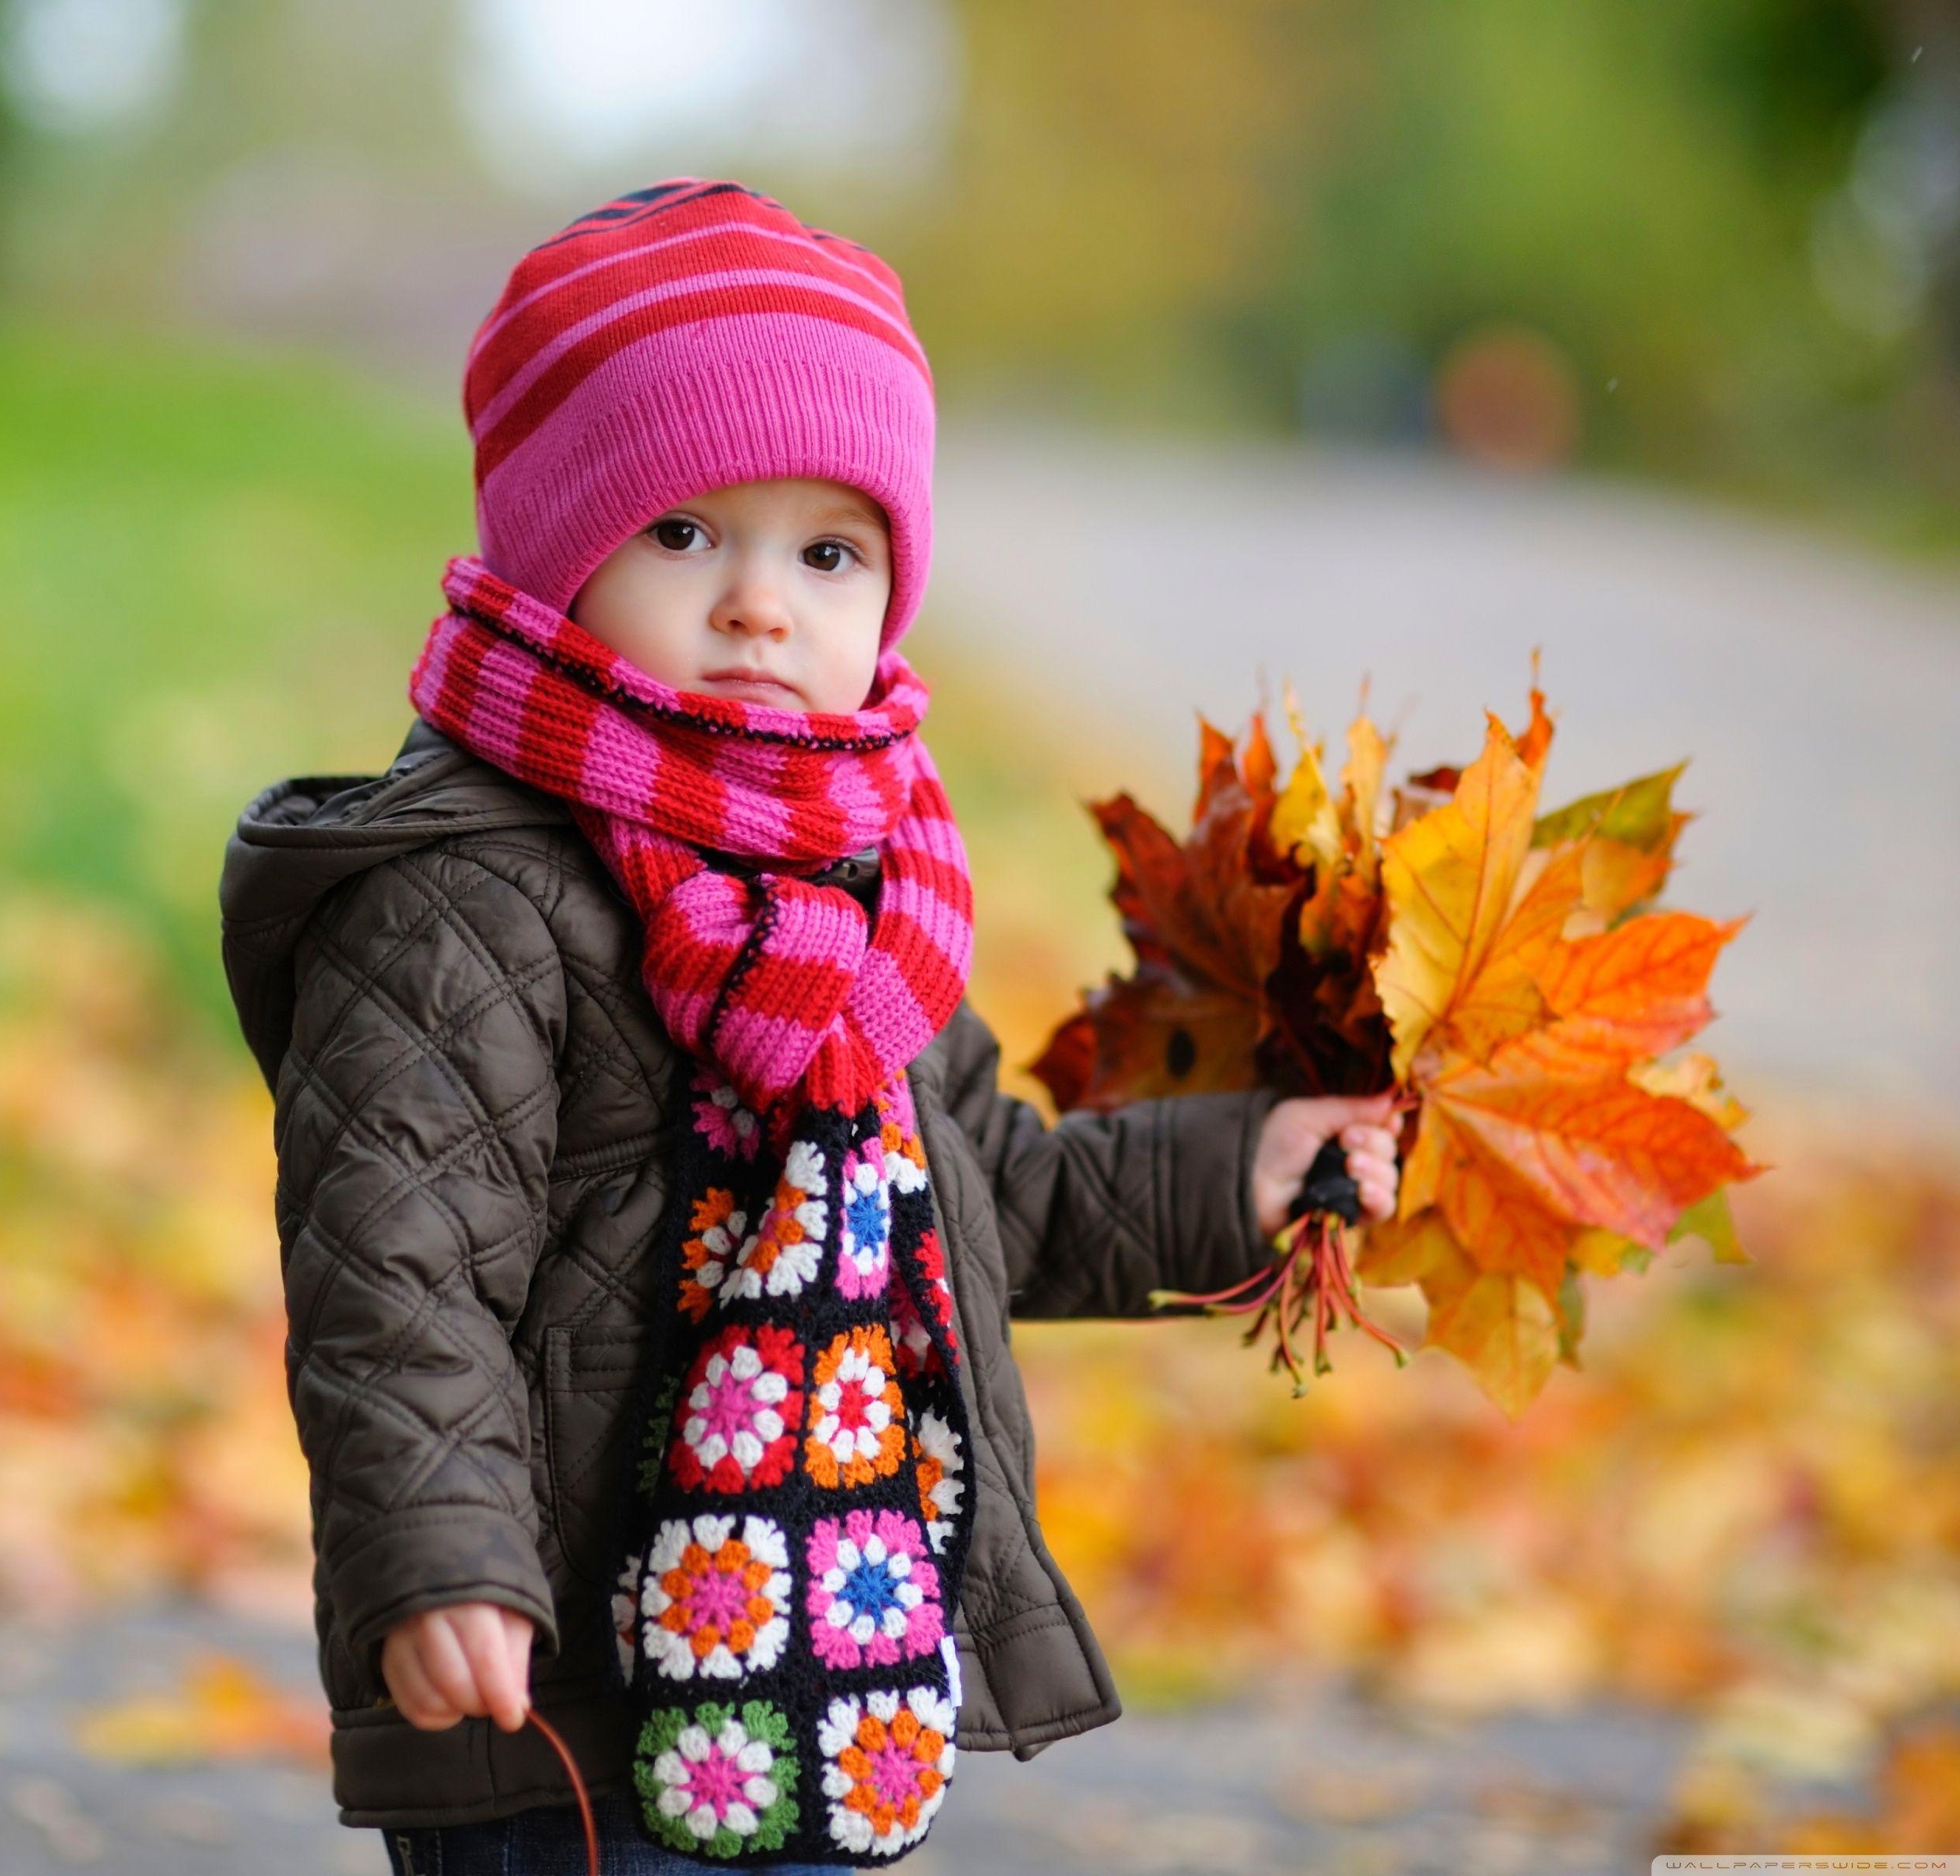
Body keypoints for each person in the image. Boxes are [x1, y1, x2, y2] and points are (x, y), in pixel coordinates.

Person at [217, 179, 1402, 1875]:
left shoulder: (860, 896)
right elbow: (398, 1276)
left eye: (827, 552)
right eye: (686, 533)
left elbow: (985, 1193)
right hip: (565, 1678)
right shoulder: (460, 898)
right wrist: (444, 1560)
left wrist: (1244, 1169)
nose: (762, 604)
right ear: (554, 554)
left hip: (826, 1643)